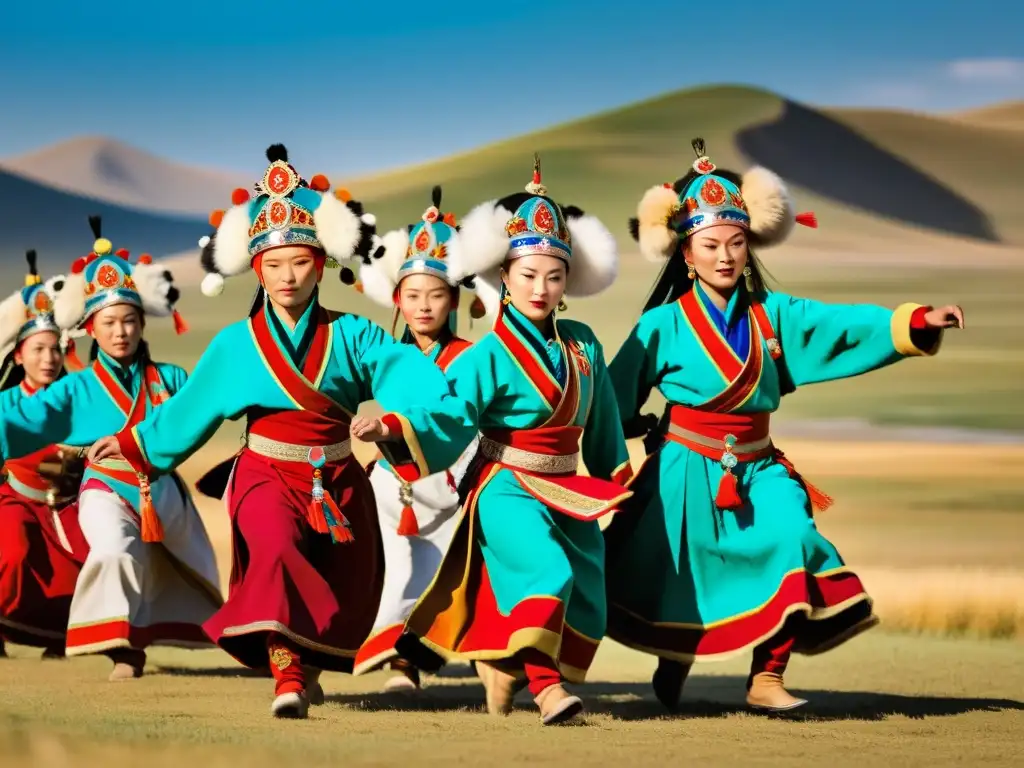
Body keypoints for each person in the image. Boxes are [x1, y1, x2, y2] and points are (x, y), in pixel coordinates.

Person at [90, 145, 478, 719]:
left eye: (299, 262)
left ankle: (307, 666)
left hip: (339, 478)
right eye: (273, 266)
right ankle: (287, 679)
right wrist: (130, 444)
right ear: (257, 269)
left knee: (337, 581)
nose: (287, 276)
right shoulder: (235, 344)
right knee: (273, 550)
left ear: (320, 264)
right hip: (265, 472)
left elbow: (419, 385)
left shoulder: (356, 335)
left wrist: (394, 421)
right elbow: (188, 411)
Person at [603, 138, 965, 712]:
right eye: (710, 245)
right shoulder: (661, 325)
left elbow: (840, 326)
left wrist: (916, 321)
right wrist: (632, 428)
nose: (725, 256)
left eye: (736, 243)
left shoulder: (775, 315)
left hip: (759, 463)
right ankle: (675, 654)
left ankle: (765, 678)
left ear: (750, 246)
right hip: (682, 468)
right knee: (681, 573)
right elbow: (611, 395)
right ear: (686, 255)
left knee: (793, 537)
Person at [390, 158, 633, 725]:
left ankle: (506, 670)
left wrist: (618, 478)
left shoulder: (584, 344)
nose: (541, 288)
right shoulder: (486, 356)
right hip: (507, 487)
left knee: (586, 591)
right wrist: (393, 429)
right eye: (527, 275)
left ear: (567, 280)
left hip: (569, 487)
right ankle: (548, 692)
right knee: (548, 573)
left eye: (553, 275)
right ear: (504, 276)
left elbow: (601, 426)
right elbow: (449, 417)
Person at [0, 217, 220, 681]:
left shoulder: (172, 380)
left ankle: (228, 636)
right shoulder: (75, 388)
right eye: (109, 323)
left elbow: (208, 407)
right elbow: (25, 421)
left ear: (142, 325)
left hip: (162, 491)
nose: (120, 332)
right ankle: (120, 648)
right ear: (90, 330)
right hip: (103, 488)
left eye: (128, 321)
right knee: (115, 550)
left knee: (186, 567)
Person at [352, 186, 492, 692]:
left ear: (455, 298)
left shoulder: (476, 355)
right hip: (395, 481)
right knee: (395, 568)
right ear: (397, 299)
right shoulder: (383, 354)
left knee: (468, 575)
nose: (424, 306)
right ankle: (400, 662)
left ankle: (488, 659)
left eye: (436, 294)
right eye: (413, 295)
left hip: (459, 481)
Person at [0, 251, 87, 659]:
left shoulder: (80, 401)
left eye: (55, 349)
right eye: (37, 350)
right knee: (12, 553)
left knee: (86, 561)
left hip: (64, 504)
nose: (48, 359)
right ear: (18, 356)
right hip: (14, 497)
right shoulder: (5, 403)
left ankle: (59, 639)